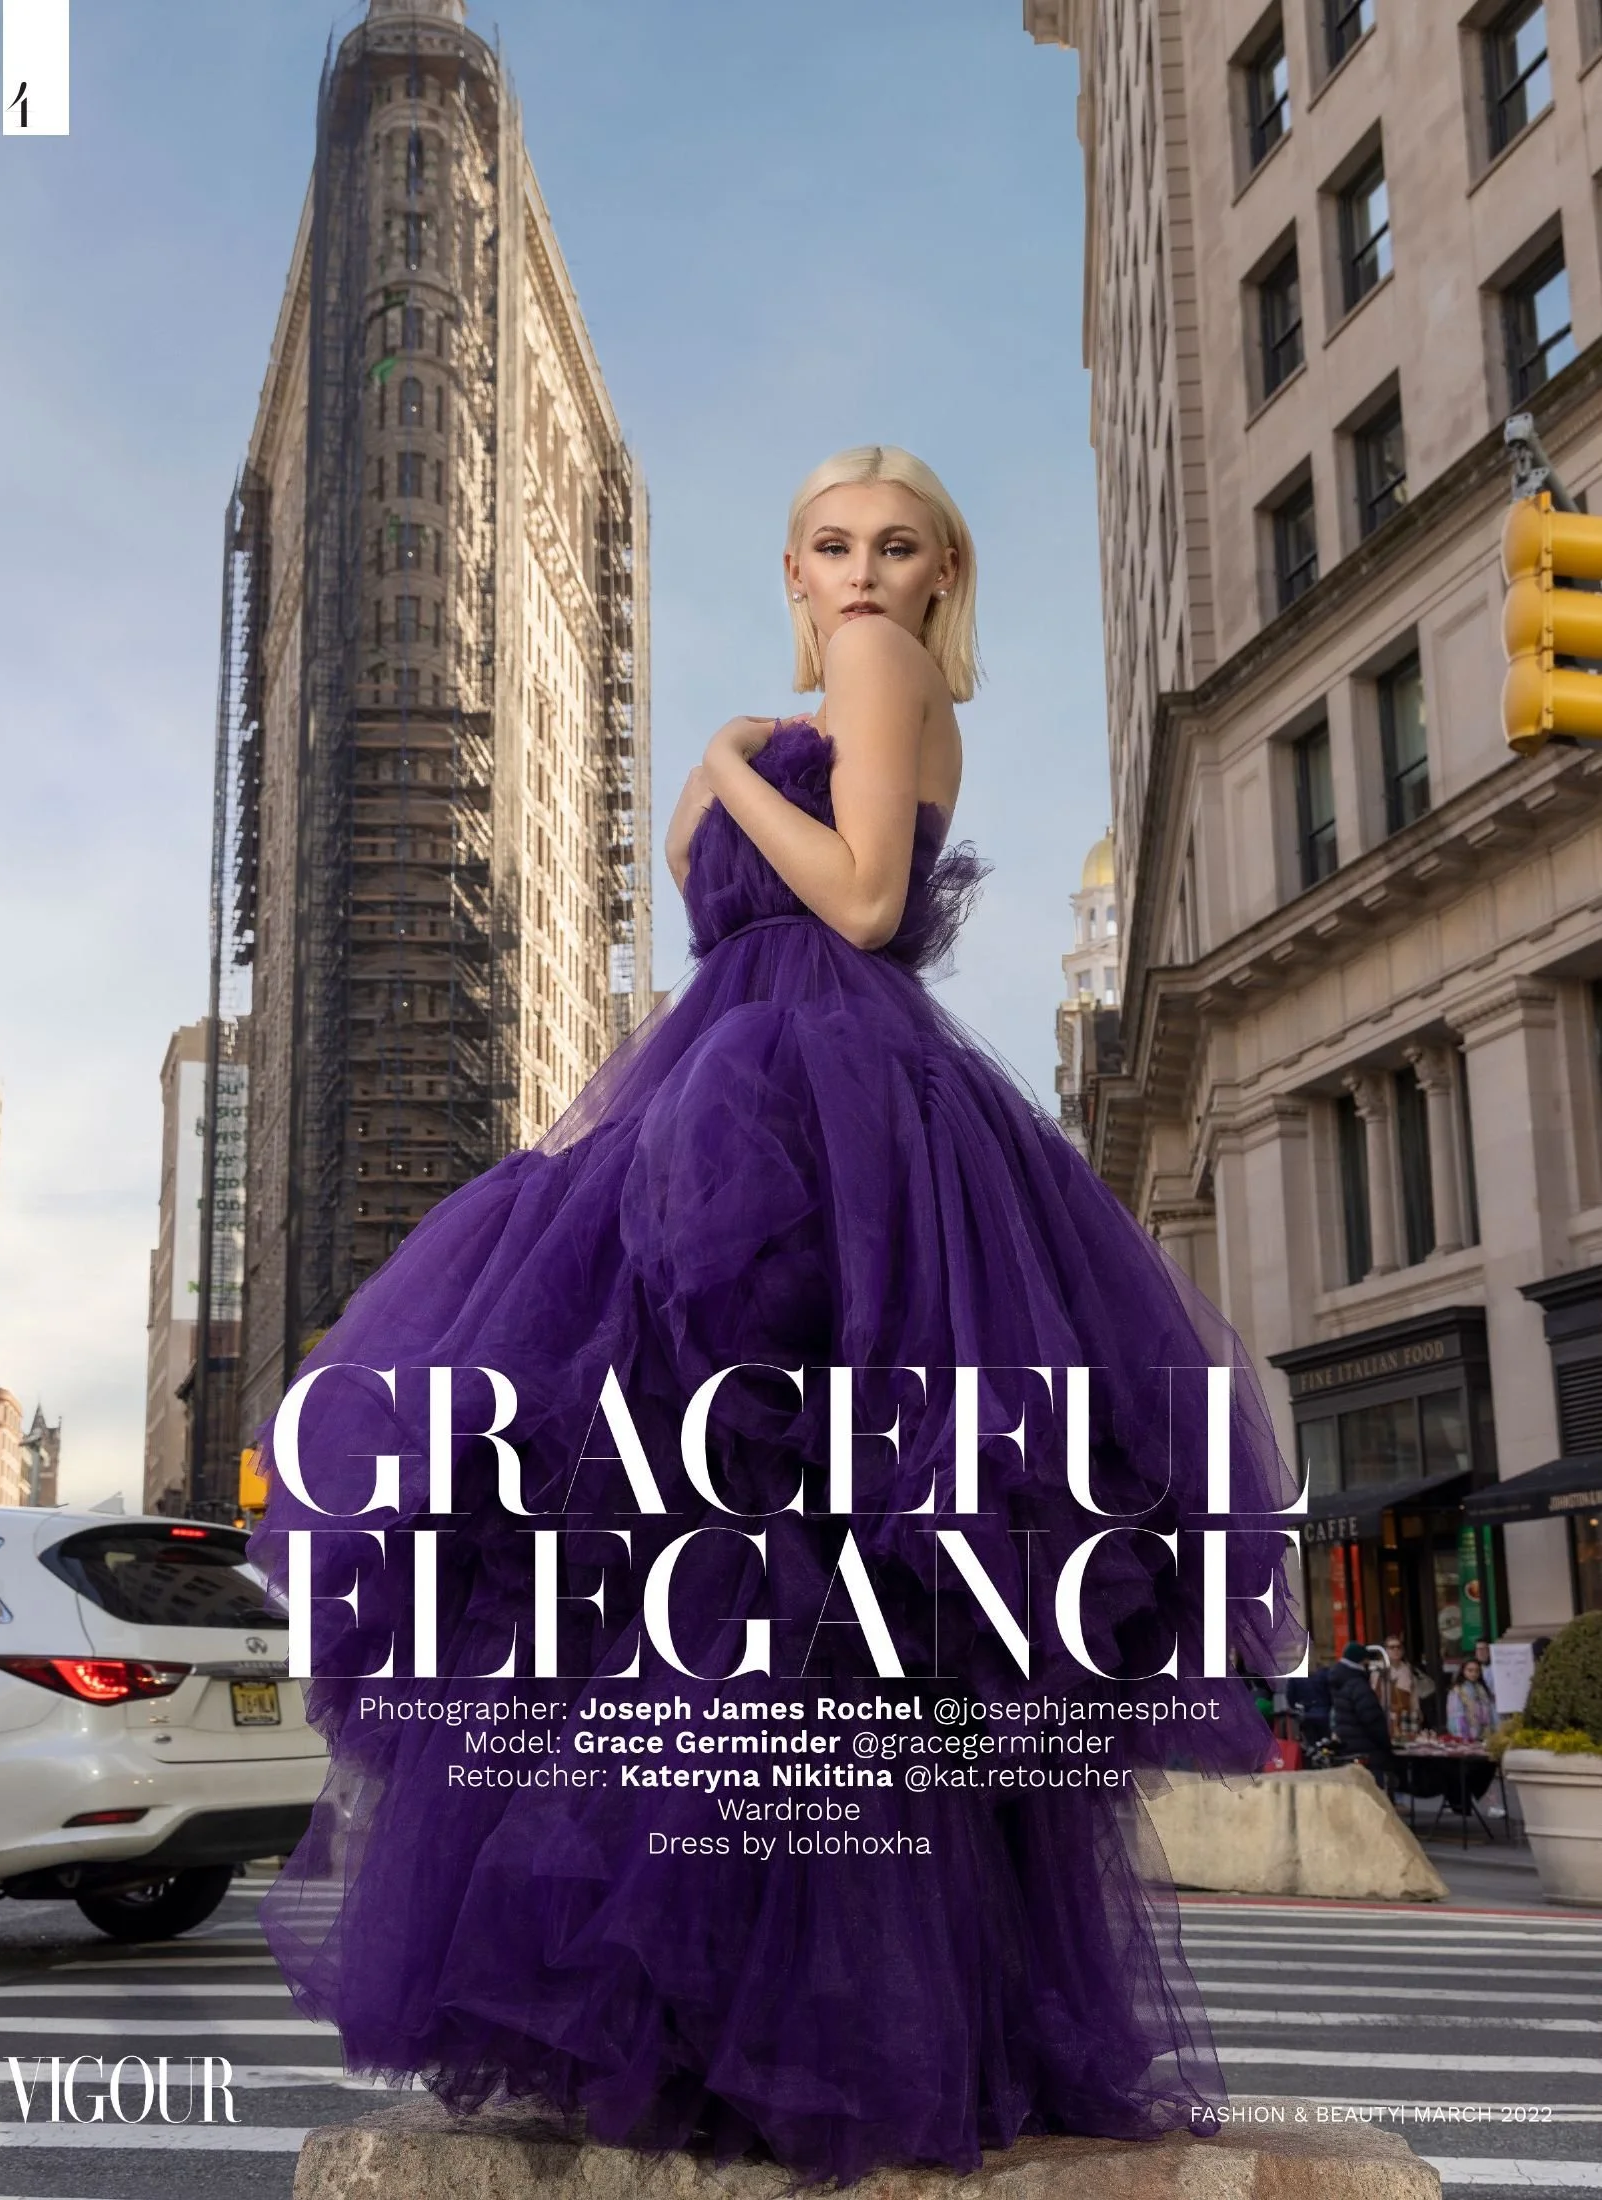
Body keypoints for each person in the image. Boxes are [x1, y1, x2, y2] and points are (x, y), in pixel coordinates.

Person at [244, 446, 1305, 2184]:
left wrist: (732, 759)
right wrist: (733, 768)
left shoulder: (874, 670)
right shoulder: (820, 694)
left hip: (821, 1117)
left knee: (746, 1557)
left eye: (899, 546)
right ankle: (804, 2024)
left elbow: (865, 901)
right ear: (791, 569)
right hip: (750, 1102)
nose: (865, 572)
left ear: (942, 576)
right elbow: (706, 887)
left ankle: (743, 2026)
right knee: (781, 1578)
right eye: (833, 546)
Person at [1330, 1642, 1395, 1784]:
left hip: (1348, 1750)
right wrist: (1386, 1746)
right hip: (1368, 1752)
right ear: (1362, 1661)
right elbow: (1372, 1720)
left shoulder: (1340, 1682)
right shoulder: (1359, 1685)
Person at [1379, 1632, 1438, 1739]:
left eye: (1398, 1647)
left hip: (1406, 1715)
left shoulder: (1409, 1669)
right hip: (1386, 1716)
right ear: (1386, 1650)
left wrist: (1417, 1711)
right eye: (1392, 1647)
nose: (1396, 1650)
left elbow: (1414, 1694)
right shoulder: (1379, 1671)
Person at [1446, 1656, 1495, 1743]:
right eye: (1470, 1670)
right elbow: (1456, 1717)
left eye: (1477, 1671)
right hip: (1466, 1737)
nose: (1474, 1674)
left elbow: (1491, 1712)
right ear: (1463, 1671)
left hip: (1485, 1736)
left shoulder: (1482, 1689)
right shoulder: (1457, 1691)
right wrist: (1463, 1737)